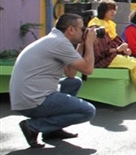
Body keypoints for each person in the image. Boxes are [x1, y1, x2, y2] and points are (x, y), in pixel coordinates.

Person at [10, 13, 97, 148]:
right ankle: (34, 126)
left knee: (74, 83)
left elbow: (70, 74)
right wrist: (89, 43)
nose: (84, 32)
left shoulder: (56, 39)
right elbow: (88, 69)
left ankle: (51, 130)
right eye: (82, 29)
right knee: (88, 111)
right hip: (33, 101)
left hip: (26, 97)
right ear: (71, 29)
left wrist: (81, 45)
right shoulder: (59, 43)